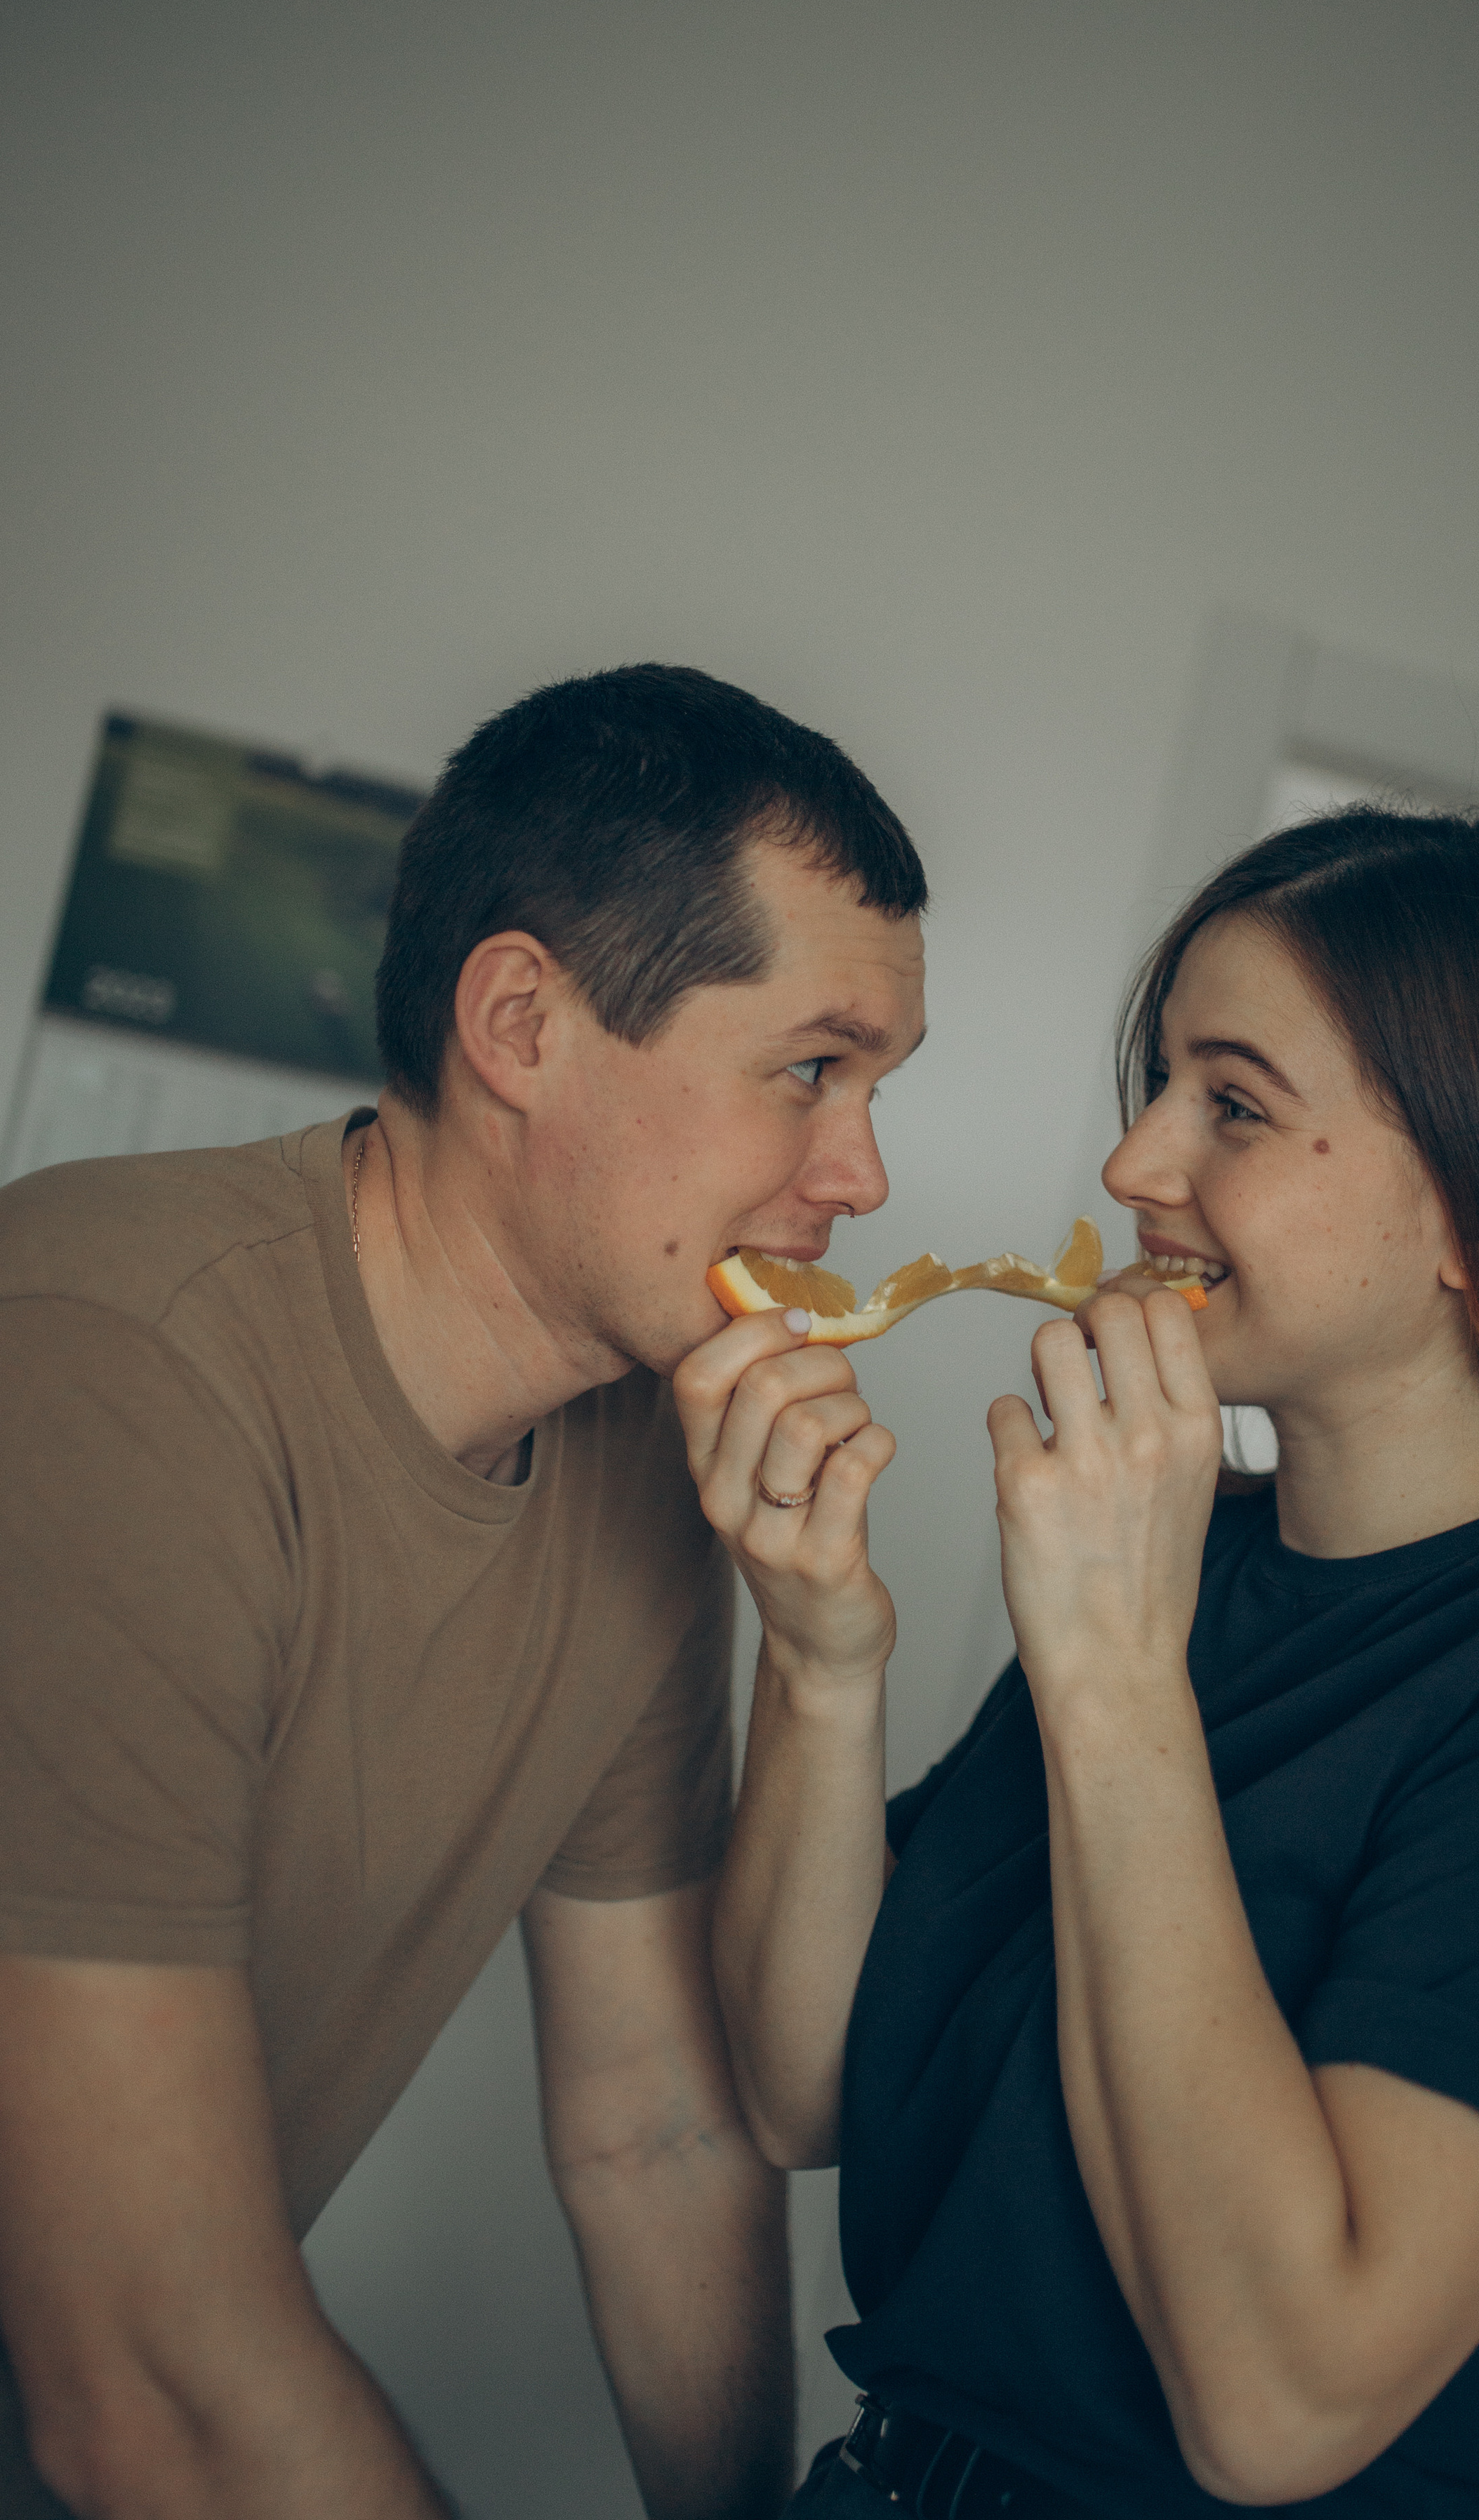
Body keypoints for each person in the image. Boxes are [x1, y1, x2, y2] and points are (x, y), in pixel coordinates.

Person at [678, 805, 1479, 2520]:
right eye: (1159, 1086)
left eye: (1232, 1103)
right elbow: (801, 2080)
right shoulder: (1189, 1567)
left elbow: (1279, 2406)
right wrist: (821, 1659)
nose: (1131, 1169)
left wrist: (1114, 1675)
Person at [0, 664, 929, 2520]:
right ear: (522, 1022)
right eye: (811, 1070)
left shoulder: (646, 1462)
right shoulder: (105, 1363)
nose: (865, 1177)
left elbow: (658, 2127)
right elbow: (157, 2387)